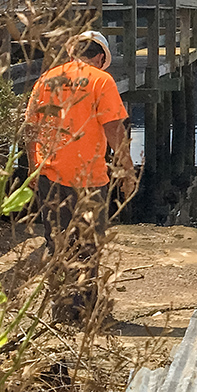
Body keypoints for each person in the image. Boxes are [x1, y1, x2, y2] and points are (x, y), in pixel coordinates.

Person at [25, 30, 134, 321]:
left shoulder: (46, 78)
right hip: (88, 179)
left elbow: (29, 129)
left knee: (56, 242)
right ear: (100, 57)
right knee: (87, 245)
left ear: (73, 52)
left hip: (49, 174)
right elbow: (114, 129)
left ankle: (60, 310)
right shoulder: (102, 80)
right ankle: (86, 310)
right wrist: (127, 170)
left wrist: (32, 167)